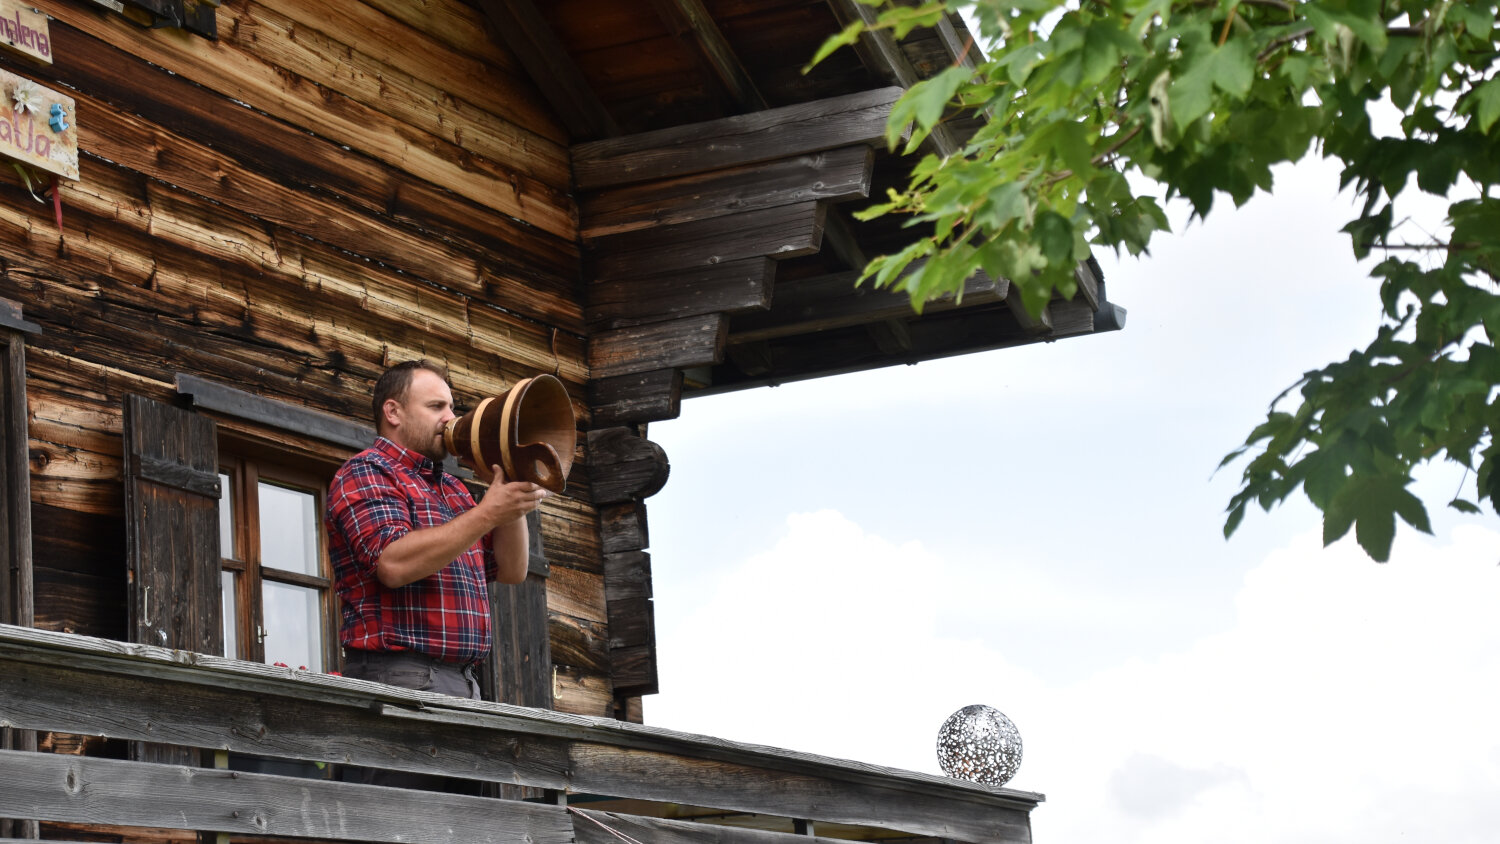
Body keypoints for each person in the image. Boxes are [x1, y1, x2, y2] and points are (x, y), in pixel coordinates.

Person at [326, 360, 546, 703]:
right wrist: (488, 512)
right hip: (399, 675)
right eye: (435, 406)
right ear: (393, 412)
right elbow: (392, 563)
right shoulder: (366, 470)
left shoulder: (454, 489)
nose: (449, 418)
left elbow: (511, 570)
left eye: (451, 407)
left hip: (464, 681)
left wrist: (511, 489)